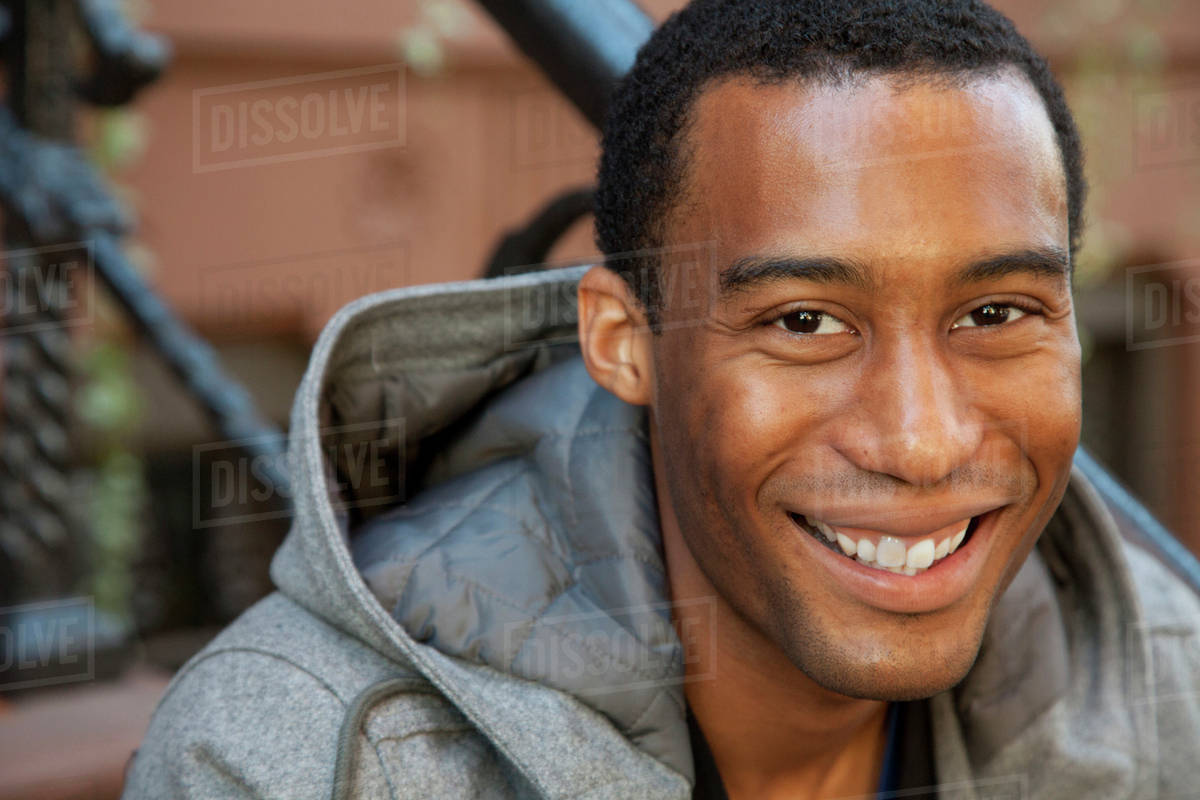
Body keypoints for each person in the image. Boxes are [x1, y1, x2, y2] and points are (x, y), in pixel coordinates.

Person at [124, 1, 1200, 797]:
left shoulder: (1169, 690)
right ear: (624, 341)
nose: (920, 440)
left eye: (996, 312)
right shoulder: (297, 759)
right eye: (805, 322)